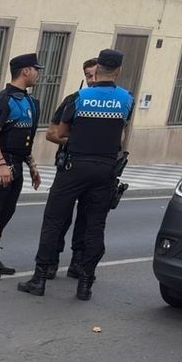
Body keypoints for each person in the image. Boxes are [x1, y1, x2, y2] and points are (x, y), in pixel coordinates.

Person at [18, 49, 133, 301]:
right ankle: (85, 284)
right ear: (119, 71)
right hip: (105, 170)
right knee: (95, 225)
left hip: (74, 167)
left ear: (98, 68)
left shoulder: (79, 97)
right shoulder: (126, 99)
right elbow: (122, 129)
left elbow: (61, 130)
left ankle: (39, 278)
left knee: (54, 220)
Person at [0, 53, 43, 275]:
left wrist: (32, 165)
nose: (38, 74)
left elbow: (23, 140)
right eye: (36, 69)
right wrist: (1, 164)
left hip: (17, 164)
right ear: (25, 71)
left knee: (6, 213)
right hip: (2, 166)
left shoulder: (28, 102)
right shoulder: (4, 100)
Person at [46, 58, 101, 278]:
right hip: (69, 166)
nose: (92, 80)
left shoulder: (115, 102)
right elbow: (52, 133)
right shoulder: (74, 99)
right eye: (88, 75)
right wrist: (76, 143)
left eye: (96, 74)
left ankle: (78, 262)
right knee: (59, 216)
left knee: (88, 219)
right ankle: (49, 263)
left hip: (97, 170)